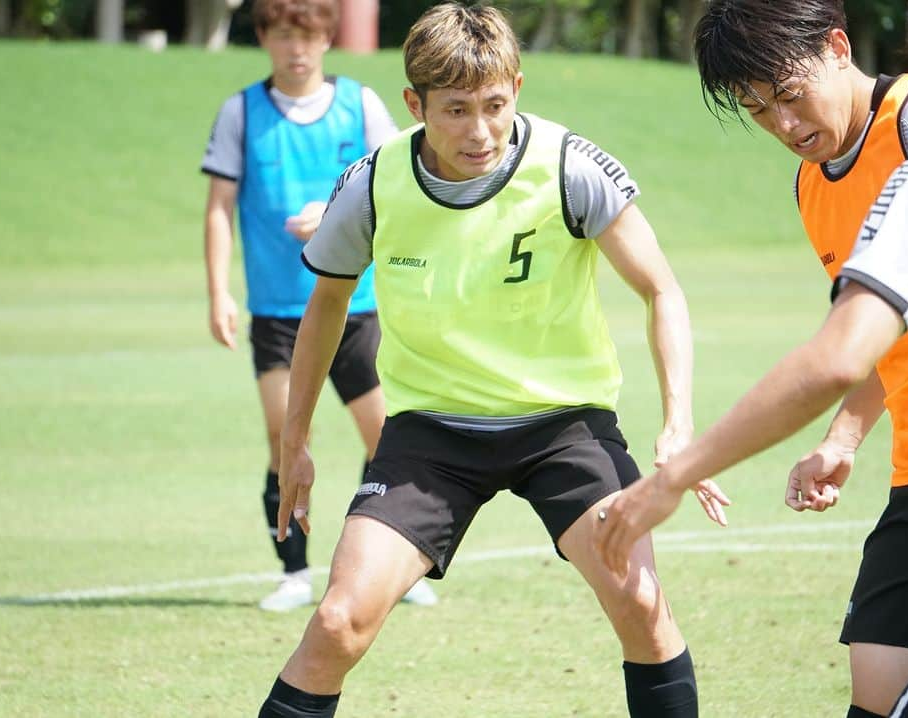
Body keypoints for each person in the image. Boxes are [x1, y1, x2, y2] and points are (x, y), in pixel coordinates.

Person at [257, 4, 732, 715]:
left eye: (494, 105)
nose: (478, 131)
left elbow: (661, 290)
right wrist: (294, 442)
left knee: (640, 603)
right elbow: (325, 305)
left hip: (565, 427)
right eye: (454, 111)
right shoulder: (373, 183)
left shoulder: (570, 165)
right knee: (337, 622)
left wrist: (677, 420)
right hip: (430, 435)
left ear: (516, 85)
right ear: (413, 105)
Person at [596, 2, 908, 716]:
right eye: (759, 111)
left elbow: (835, 357)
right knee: (876, 694)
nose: (785, 127)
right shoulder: (811, 185)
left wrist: (677, 475)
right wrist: (843, 438)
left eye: (791, 96)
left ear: (838, 45)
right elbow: (890, 326)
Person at [200, 0, 436, 612]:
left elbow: (398, 186)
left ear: (328, 39)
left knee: (385, 438)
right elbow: (219, 207)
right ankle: (293, 573)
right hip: (278, 313)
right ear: (265, 39)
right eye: (282, 35)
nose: (296, 49)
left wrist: (331, 219)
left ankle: (379, 565)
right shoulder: (241, 113)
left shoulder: (360, 105)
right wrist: (218, 290)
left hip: (354, 307)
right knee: (285, 437)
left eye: (307, 36)